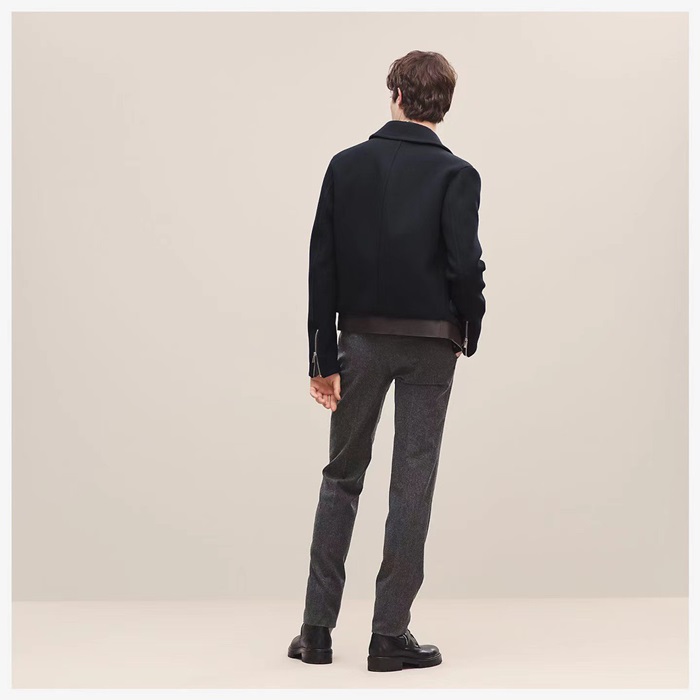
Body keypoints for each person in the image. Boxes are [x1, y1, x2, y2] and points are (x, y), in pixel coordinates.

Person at [287, 50, 486, 672]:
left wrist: (322, 354)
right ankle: (388, 636)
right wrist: (468, 329)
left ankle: (316, 632)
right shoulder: (458, 175)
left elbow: (322, 264)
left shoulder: (345, 166)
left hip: (361, 341)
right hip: (431, 343)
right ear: (444, 105)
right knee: (412, 483)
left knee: (341, 476)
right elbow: (465, 266)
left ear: (395, 94)